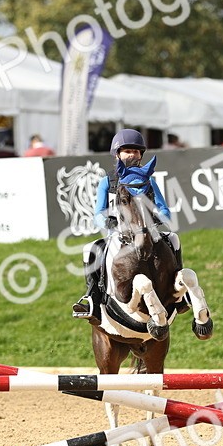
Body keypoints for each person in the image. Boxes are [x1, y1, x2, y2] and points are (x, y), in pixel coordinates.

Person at [71, 129, 180, 321]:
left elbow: (164, 210)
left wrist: (156, 218)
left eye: (136, 151)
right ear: (118, 154)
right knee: (90, 249)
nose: (132, 154)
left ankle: (179, 291)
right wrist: (106, 221)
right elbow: (98, 212)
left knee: (173, 238)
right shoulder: (108, 182)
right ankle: (92, 298)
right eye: (128, 150)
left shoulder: (148, 181)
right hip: (118, 234)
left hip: (146, 230)